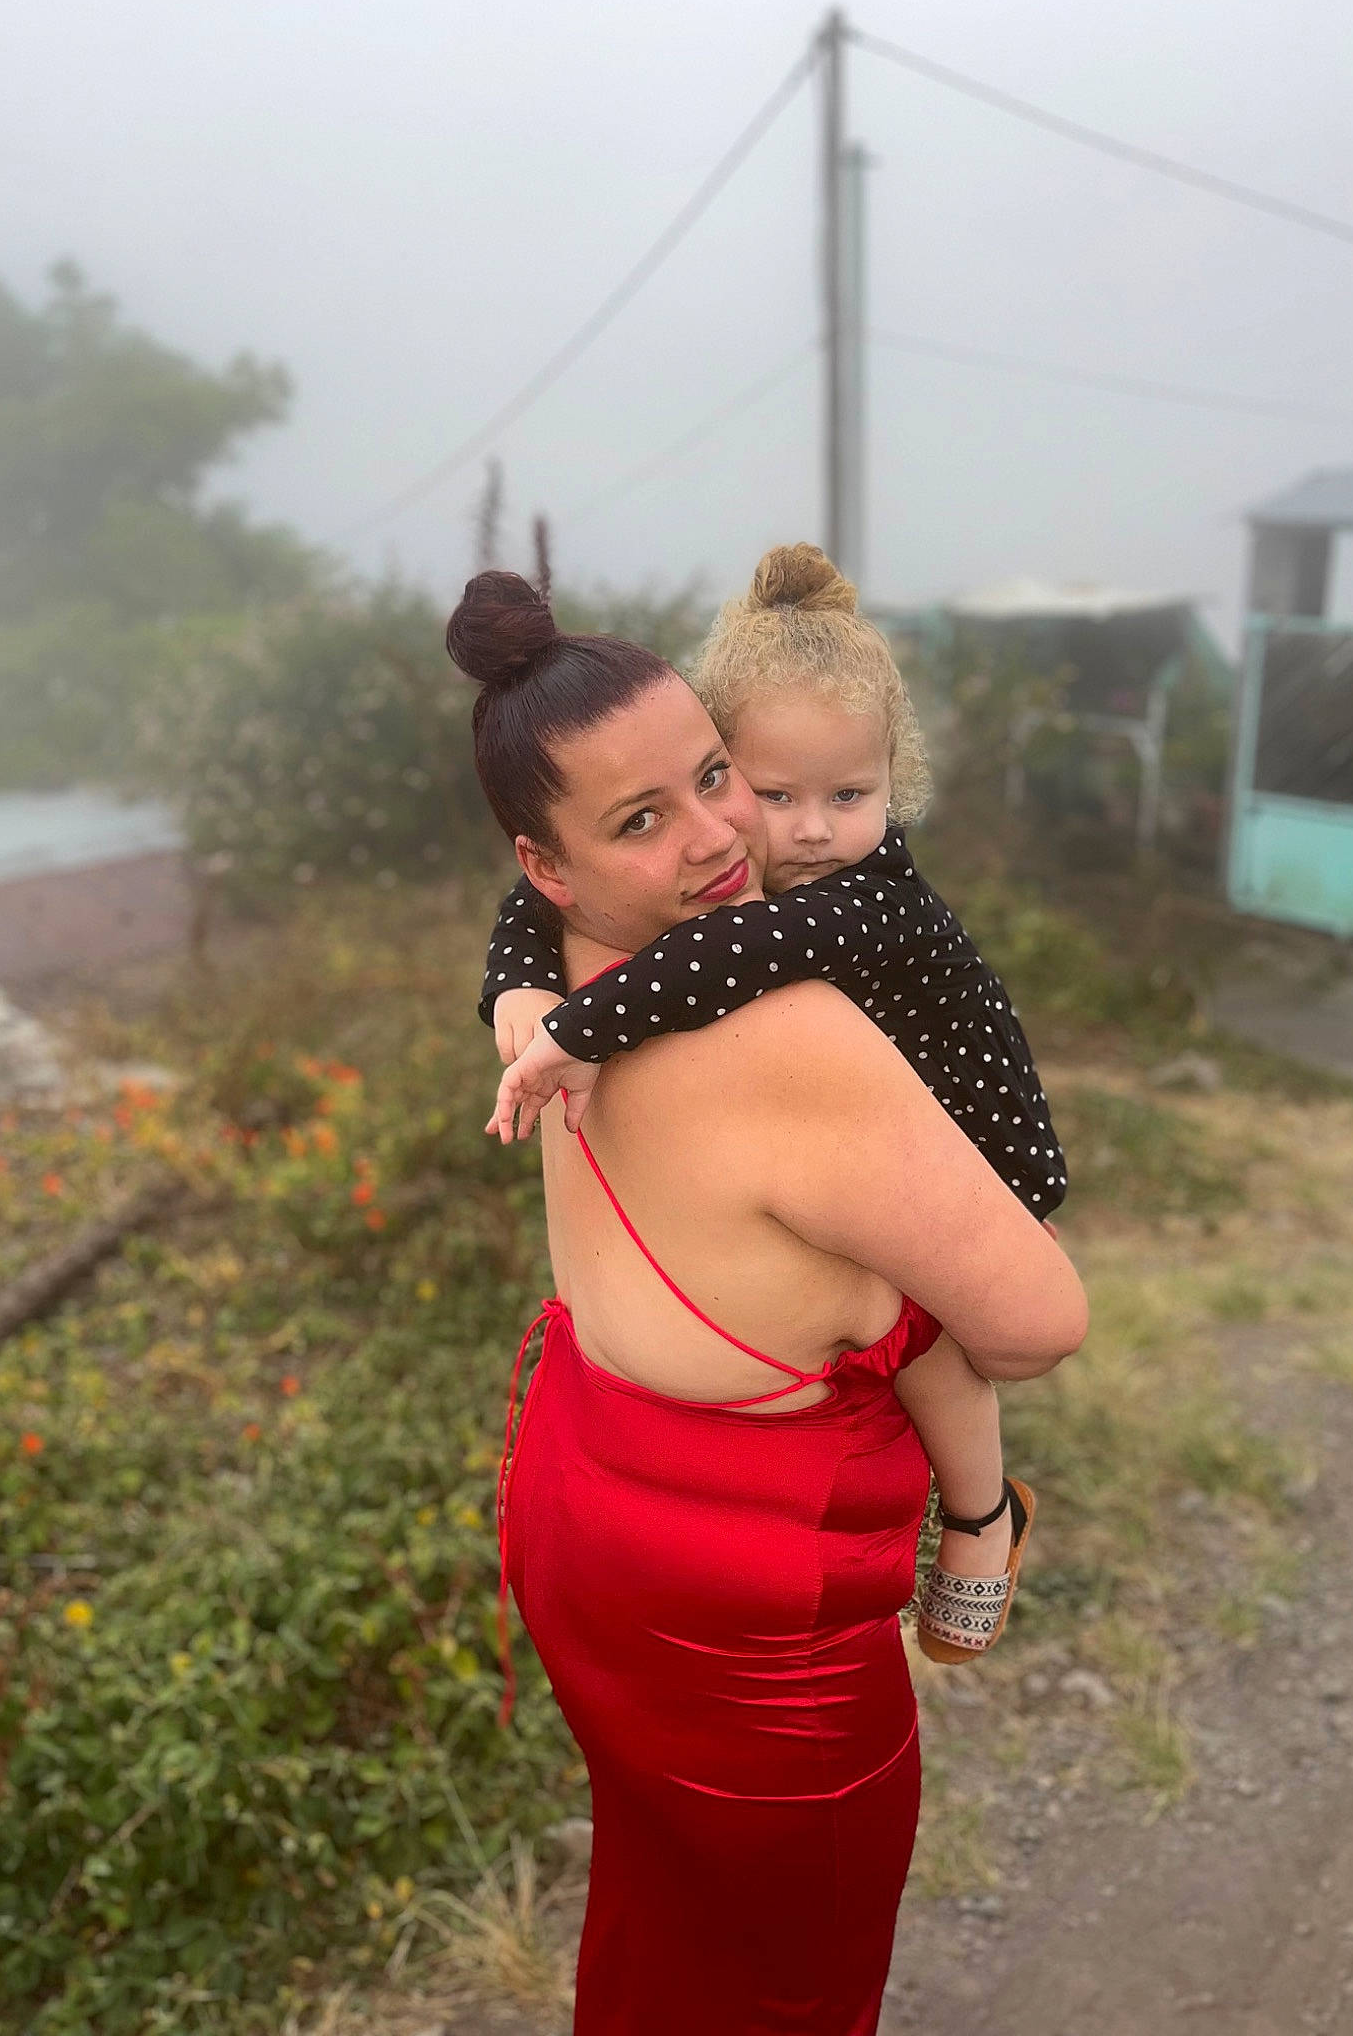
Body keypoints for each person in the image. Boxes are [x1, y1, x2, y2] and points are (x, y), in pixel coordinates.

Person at [446, 568, 1086, 2036]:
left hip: (584, 1510)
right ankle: (983, 1519)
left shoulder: (579, 971)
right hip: (741, 1612)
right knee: (791, 1982)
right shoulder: (785, 1030)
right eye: (642, 819)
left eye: (712, 777)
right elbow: (1039, 1322)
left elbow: (553, 944)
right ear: (549, 862)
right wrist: (897, 1290)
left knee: (663, 1911)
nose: (723, 834)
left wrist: (524, 1004)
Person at [480, 544, 1065, 1661]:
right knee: (877, 1310)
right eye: (771, 791)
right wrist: (517, 985)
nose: (807, 830)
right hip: (871, 1153)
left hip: (980, 1151)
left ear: (894, 783)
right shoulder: (735, 865)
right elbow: (532, 897)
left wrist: (579, 1027)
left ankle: (984, 1519)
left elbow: (728, 954)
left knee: (942, 1350)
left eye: (848, 797)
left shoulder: (870, 897)